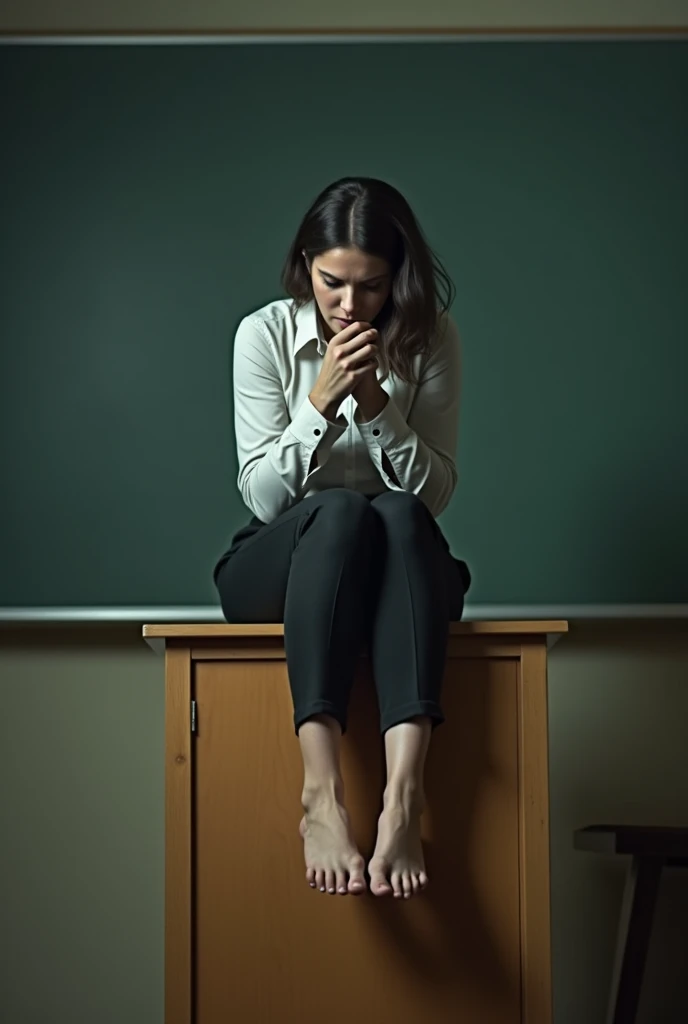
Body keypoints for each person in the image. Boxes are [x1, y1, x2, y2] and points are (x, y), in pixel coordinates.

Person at [213, 176, 470, 901]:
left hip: (400, 565)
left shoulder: (431, 339)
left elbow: (436, 496)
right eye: (332, 284)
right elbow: (263, 498)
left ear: (399, 279)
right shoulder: (262, 335)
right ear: (306, 265)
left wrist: (380, 408)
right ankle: (319, 797)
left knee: (392, 513)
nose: (350, 306)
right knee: (345, 514)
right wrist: (321, 402)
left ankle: (405, 798)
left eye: (372, 287)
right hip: (284, 564)